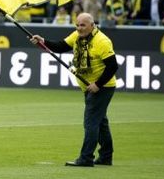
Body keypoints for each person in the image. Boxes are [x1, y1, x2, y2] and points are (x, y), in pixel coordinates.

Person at [30, 13, 118, 167]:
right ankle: (105, 156)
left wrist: (98, 84)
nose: (79, 28)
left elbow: (112, 66)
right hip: (88, 87)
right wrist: (43, 41)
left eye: (83, 25)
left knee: (90, 122)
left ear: (92, 25)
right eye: (77, 25)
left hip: (102, 88)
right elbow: (61, 46)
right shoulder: (77, 35)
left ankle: (86, 158)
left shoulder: (102, 41)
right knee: (100, 122)